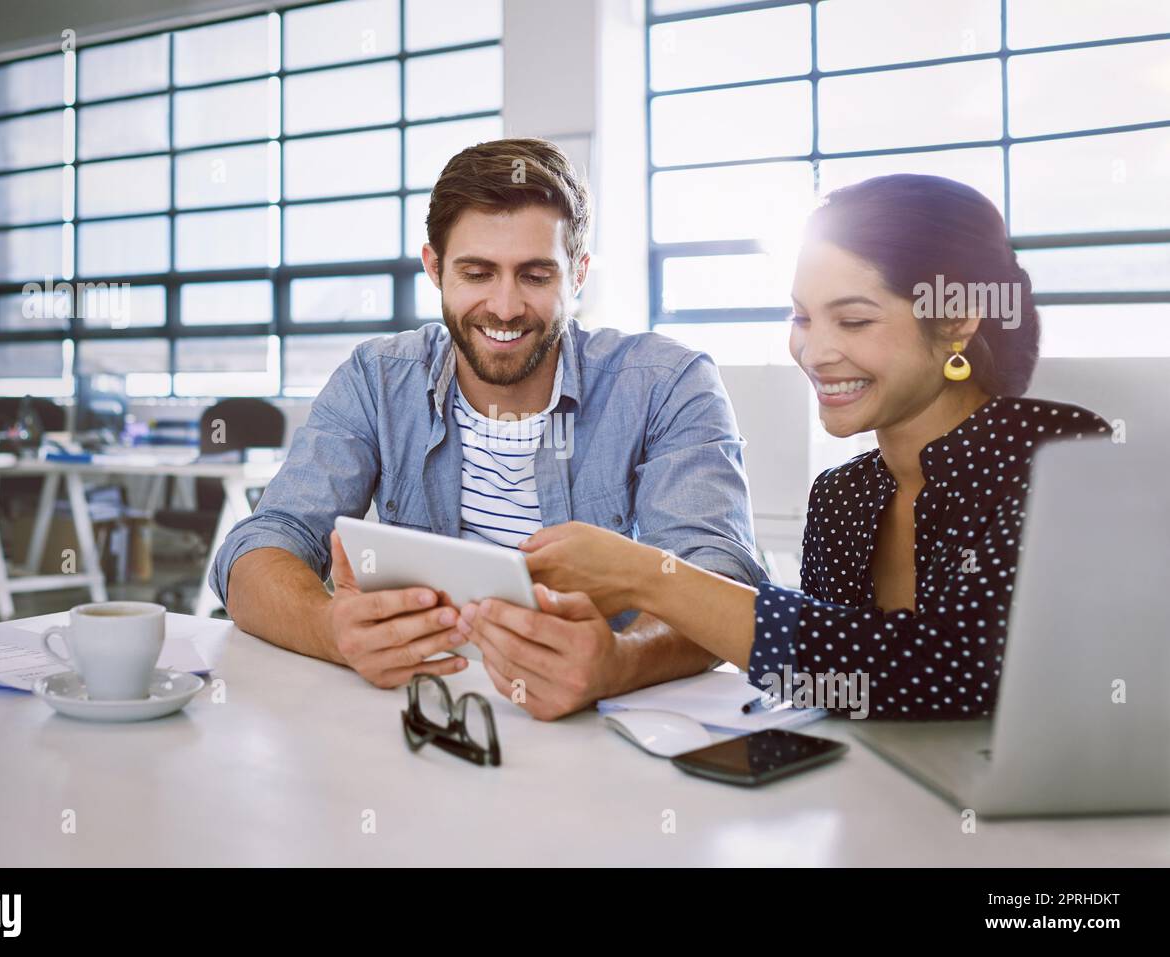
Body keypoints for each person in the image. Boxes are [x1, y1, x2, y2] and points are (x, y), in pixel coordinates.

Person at [465, 174, 1109, 719]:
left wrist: (646, 577)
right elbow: (835, 684)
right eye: (802, 318)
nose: (815, 351)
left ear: (957, 320)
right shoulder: (845, 496)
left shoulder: (1058, 454)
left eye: (853, 319)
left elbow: (951, 672)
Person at [211, 138, 764, 720]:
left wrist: (621, 663)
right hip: (423, 714)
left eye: (534, 275)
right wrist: (331, 630)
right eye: (477, 273)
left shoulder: (667, 382)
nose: (504, 307)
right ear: (435, 268)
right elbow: (260, 546)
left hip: (608, 729)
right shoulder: (377, 378)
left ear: (576, 274)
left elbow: (715, 574)